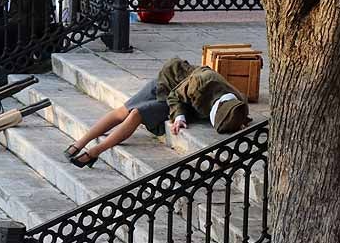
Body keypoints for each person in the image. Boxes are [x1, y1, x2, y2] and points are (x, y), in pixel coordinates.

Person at [64, 57, 252, 168]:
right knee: (124, 111)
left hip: (186, 102)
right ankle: (81, 143)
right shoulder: (201, 83)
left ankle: (96, 151)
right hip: (170, 88)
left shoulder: (237, 101)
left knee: (138, 113)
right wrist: (179, 116)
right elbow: (174, 97)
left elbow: (240, 112)